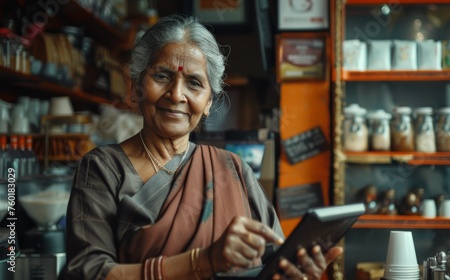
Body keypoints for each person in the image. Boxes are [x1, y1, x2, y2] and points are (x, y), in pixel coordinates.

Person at [64, 15, 343, 280]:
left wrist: (296, 271)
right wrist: (203, 261)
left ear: (209, 102)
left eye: (194, 83)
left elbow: (272, 263)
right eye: (162, 76)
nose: (176, 95)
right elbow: (87, 272)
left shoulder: (232, 169)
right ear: (137, 87)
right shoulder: (103, 168)